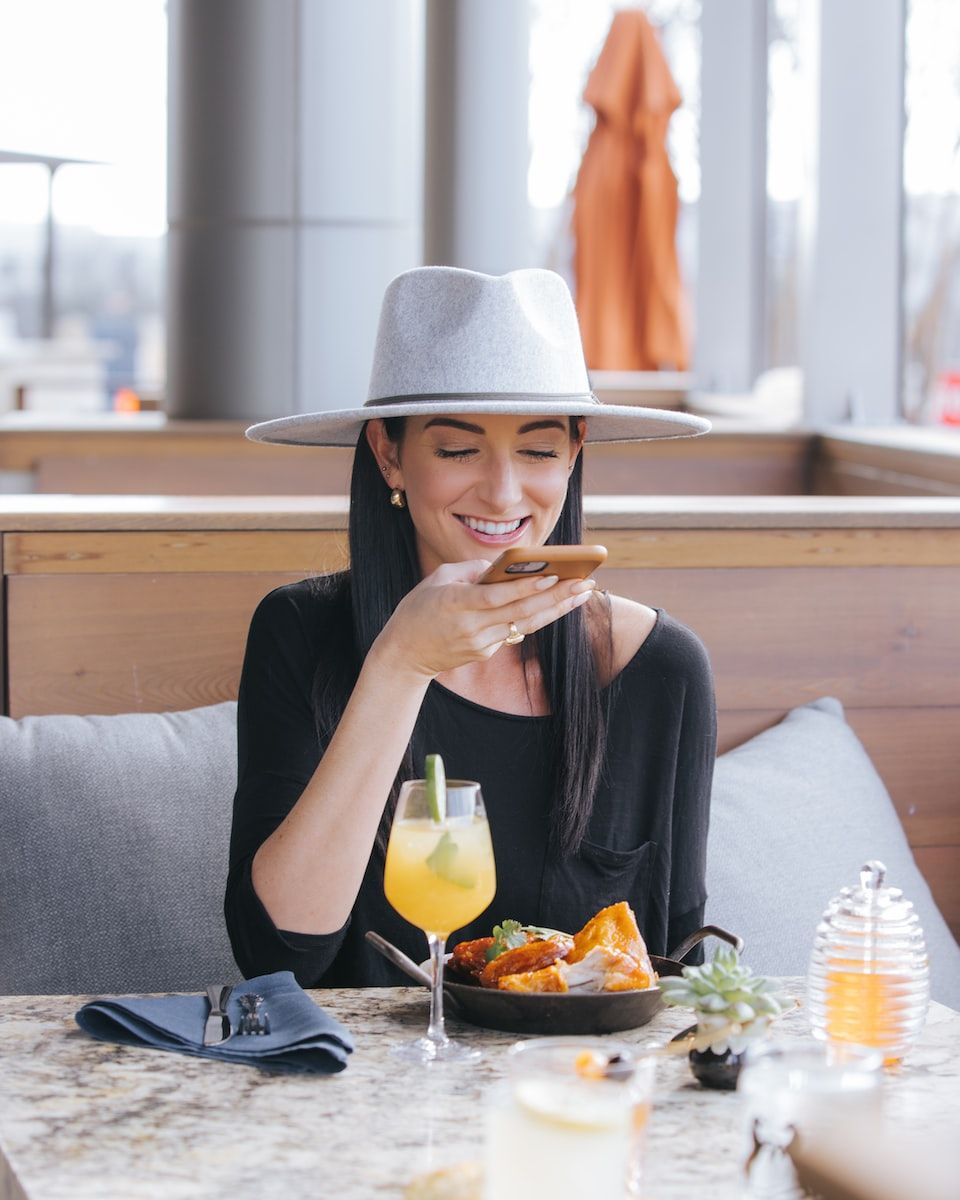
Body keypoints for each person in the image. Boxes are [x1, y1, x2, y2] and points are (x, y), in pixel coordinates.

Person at [225, 266, 716, 987]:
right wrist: (400, 665)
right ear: (389, 453)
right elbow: (279, 955)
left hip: (571, 1085)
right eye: (457, 450)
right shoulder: (300, 632)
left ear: (575, 451)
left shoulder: (658, 669)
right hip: (363, 1088)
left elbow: (672, 973)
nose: (503, 490)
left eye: (539, 449)